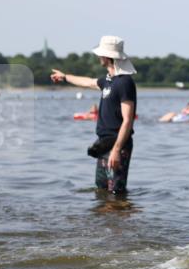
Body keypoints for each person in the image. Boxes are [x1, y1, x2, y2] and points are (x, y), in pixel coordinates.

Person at [51, 36, 137, 194]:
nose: (98, 57)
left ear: (107, 56)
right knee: (102, 190)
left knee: (116, 192)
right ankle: (105, 219)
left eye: (100, 54)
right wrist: (65, 77)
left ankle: (121, 217)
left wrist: (117, 150)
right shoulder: (108, 80)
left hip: (118, 144)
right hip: (104, 143)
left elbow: (127, 120)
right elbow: (88, 82)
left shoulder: (125, 82)